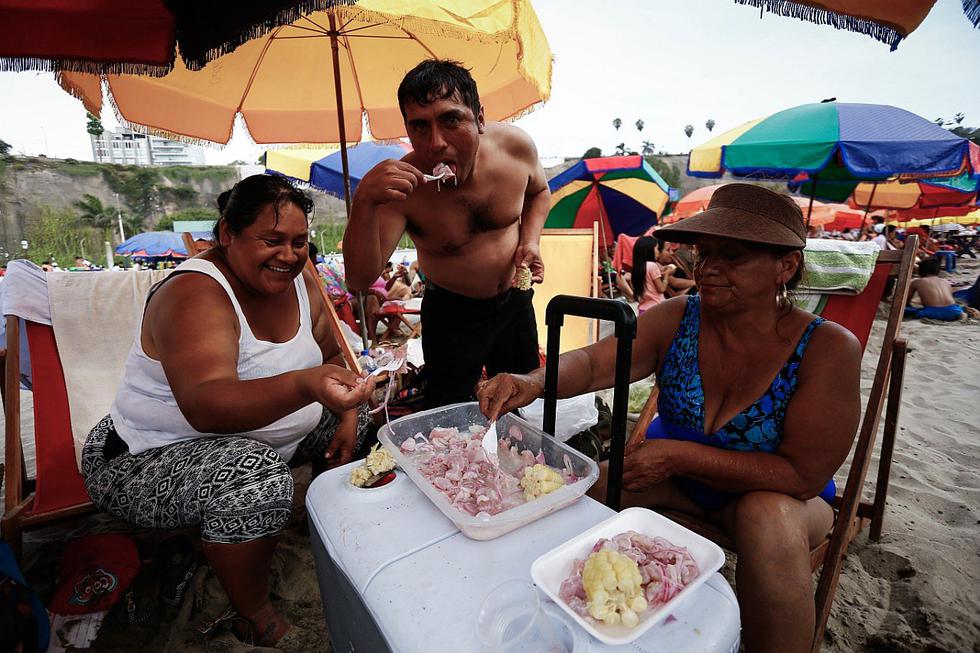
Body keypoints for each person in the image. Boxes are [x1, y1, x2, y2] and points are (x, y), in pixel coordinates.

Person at [477, 184, 862, 653]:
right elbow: (597, 363)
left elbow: (803, 475)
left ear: (786, 265)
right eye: (704, 253)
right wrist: (532, 381)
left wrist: (679, 456)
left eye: (732, 256)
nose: (708, 268)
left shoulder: (827, 348)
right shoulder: (680, 316)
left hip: (779, 498)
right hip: (675, 482)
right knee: (576, 490)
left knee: (768, 519)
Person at [81, 175, 377, 647]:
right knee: (256, 479)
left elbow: (332, 355)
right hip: (141, 457)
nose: (288, 255)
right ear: (227, 234)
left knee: (364, 426)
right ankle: (253, 611)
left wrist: (347, 414)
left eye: (299, 242)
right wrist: (305, 384)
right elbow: (206, 405)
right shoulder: (194, 292)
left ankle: (305, 524)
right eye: (272, 240)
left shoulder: (301, 281)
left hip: (265, 441)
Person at [344, 59, 550, 408]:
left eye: (451, 120)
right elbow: (359, 279)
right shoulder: (403, 189)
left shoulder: (515, 148)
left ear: (480, 118)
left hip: (515, 301)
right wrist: (364, 201)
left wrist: (530, 241)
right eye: (420, 126)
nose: (436, 142)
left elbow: (539, 192)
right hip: (451, 312)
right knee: (447, 409)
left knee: (520, 399)